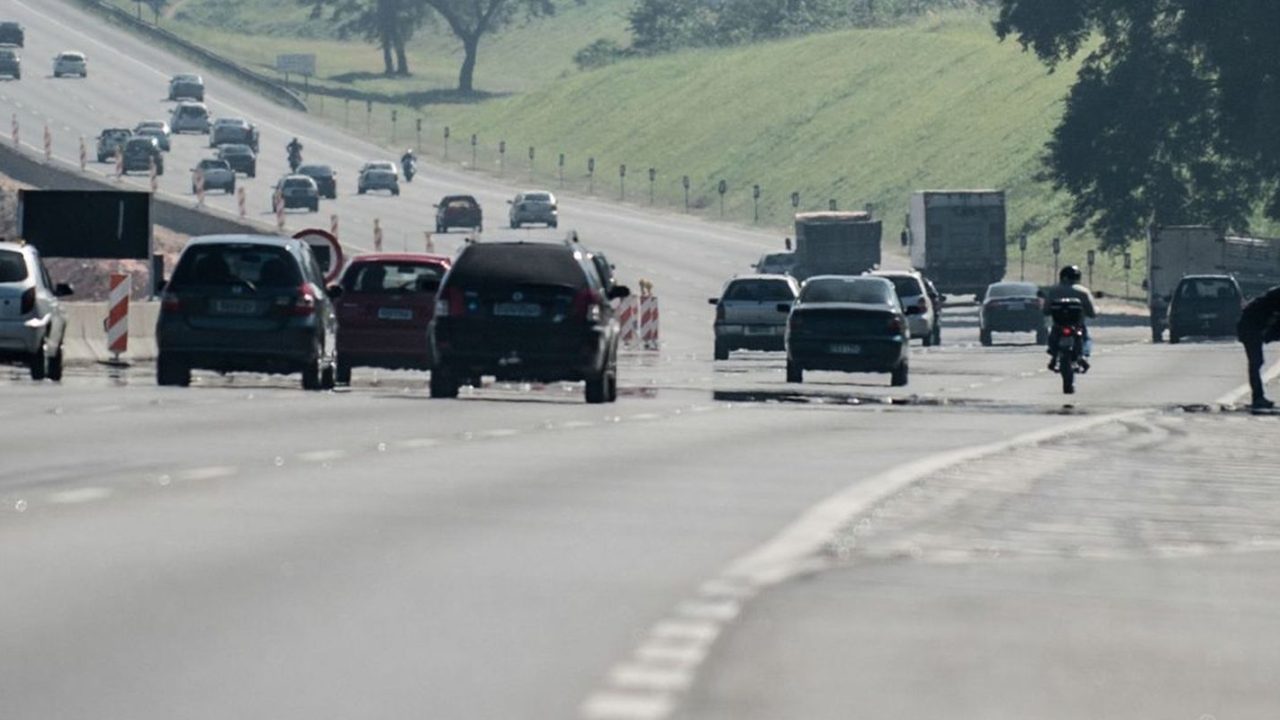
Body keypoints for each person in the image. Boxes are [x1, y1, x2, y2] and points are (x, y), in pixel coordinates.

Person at [1043, 265, 1097, 372]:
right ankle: (1083, 355)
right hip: (1077, 325)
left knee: (1053, 336)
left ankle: (1054, 356)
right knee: (1086, 339)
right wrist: (1092, 313)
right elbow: (1091, 312)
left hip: (1058, 325)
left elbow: (1046, 310)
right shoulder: (1083, 292)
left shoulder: (1054, 290)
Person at [1237, 285, 1280, 410]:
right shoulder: (1274, 302)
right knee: (1256, 362)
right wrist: (1265, 333)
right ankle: (1257, 398)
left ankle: (1258, 397)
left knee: (1256, 362)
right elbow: (1272, 319)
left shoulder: (1270, 299)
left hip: (1252, 328)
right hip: (1250, 329)